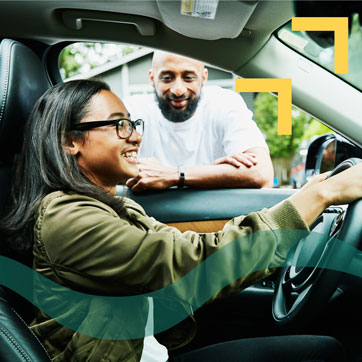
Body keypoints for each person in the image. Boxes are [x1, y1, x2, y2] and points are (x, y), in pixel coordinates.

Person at [3, 79, 362, 362]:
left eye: (134, 123)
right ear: (70, 141)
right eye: (120, 125)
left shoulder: (113, 205)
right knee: (320, 352)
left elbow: (181, 246)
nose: (136, 135)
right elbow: (194, 263)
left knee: (320, 347)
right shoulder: (68, 217)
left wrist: (303, 205)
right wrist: (318, 197)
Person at [123, 51, 274, 192]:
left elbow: (262, 173)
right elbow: (104, 171)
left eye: (188, 77)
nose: (178, 90)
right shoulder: (133, 110)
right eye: (167, 78)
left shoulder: (224, 103)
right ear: (152, 78)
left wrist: (174, 175)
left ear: (204, 77)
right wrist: (215, 173)